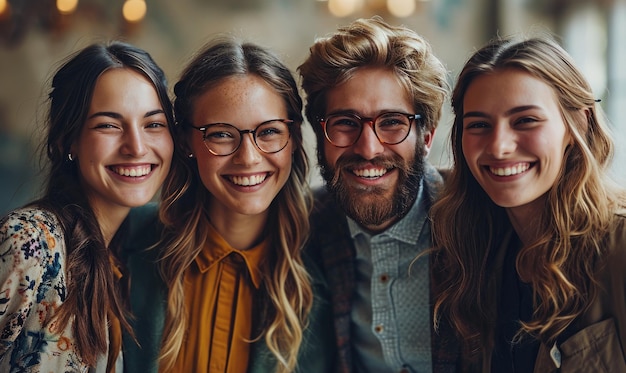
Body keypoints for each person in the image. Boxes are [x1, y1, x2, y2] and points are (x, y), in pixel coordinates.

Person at [122, 37, 334, 373]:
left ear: (293, 138)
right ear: (187, 141)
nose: (248, 158)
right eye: (221, 134)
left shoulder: (327, 276)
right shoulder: (123, 244)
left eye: (268, 132)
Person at [430, 35, 626, 372]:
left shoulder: (619, 248)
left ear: (576, 124)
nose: (499, 146)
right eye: (478, 125)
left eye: (525, 120)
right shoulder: (478, 246)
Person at [298, 16, 460, 372]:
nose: (368, 149)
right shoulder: (302, 226)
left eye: (391, 123)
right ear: (320, 135)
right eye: (345, 123)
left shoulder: (476, 219)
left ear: (427, 138)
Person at [0, 41, 174, 372]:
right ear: (68, 141)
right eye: (108, 125)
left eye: (153, 124)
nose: (137, 147)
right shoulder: (29, 243)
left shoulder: (127, 259)